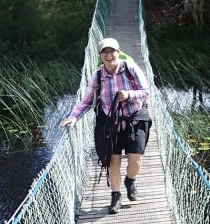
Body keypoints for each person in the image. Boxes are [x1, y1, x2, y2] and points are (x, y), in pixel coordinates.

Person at [59, 37, 151, 214]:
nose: (109, 55)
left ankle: (130, 180)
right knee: (113, 159)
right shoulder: (98, 75)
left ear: (118, 52)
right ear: (100, 55)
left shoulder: (130, 68)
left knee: (136, 159)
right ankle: (116, 196)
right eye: (105, 52)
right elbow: (86, 101)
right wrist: (73, 117)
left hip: (135, 117)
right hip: (110, 121)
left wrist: (128, 95)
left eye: (112, 51)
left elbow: (146, 92)